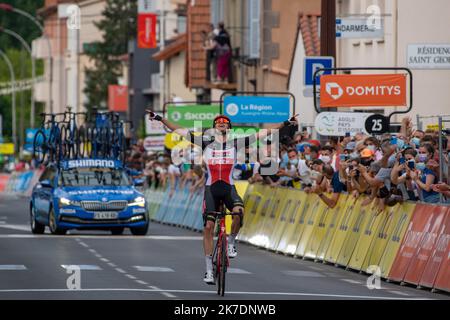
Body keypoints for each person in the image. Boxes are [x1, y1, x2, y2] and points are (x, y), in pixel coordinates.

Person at [146, 109, 298, 284]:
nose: (221, 124)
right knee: (209, 226)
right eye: (218, 122)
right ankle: (209, 271)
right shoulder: (204, 142)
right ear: (214, 127)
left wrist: (286, 123)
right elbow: (178, 130)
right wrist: (159, 118)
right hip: (211, 189)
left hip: (229, 188)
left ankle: (232, 241)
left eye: (224, 123)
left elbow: (265, 132)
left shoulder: (237, 143)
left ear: (229, 127)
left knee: (239, 213)